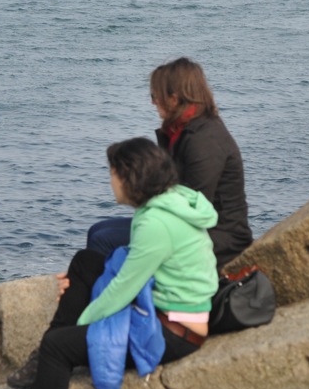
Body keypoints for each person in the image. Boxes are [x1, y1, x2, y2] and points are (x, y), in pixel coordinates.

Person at [0, 137, 218, 389]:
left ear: (130, 178)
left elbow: (123, 291)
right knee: (86, 261)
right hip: (169, 309)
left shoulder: (154, 224)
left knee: (57, 347)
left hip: (174, 332)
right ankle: (42, 363)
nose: (109, 179)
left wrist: (78, 327)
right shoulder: (174, 200)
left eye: (112, 173)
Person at [87, 57, 253, 270]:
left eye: (155, 96)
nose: (153, 102)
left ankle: (119, 289)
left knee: (103, 239)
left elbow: (193, 206)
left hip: (218, 238)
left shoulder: (204, 140)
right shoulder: (182, 132)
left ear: (174, 99)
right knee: (98, 230)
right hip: (190, 225)